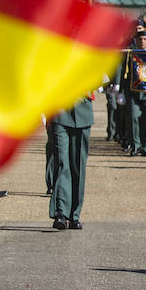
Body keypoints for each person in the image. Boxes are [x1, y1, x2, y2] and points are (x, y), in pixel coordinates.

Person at [49, 94, 93, 230]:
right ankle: (60, 213)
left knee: (77, 166)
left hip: (82, 110)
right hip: (59, 109)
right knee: (62, 163)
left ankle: (74, 215)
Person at [119, 31, 146, 156]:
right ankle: (135, 146)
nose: (142, 41)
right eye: (139, 39)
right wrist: (121, 91)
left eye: (144, 39)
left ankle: (145, 146)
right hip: (133, 93)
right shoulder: (129, 55)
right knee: (133, 118)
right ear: (135, 41)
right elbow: (123, 74)